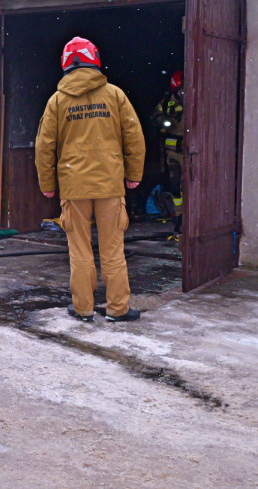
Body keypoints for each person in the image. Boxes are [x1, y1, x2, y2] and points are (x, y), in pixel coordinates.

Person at [35, 37, 146, 323]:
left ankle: (83, 309)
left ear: (66, 63)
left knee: (80, 251)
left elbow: (44, 146)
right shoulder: (115, 95)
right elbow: (134, 137)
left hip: (74, 187)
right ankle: (117, 309)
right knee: (112, 250)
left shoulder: (57, 101)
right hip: (109, 185)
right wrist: (133, 174)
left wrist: (47, 184)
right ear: (94, 59)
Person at [150, 70, 184, 233]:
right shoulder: (166, 103)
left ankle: (196, 217)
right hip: (173, 153)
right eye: (180, 90)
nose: (183, 93)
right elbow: (154, 118)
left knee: (194, 185)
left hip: (194, 152)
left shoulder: (197, 100)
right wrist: (164, 121)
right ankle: (179, 217)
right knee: (175, 186)